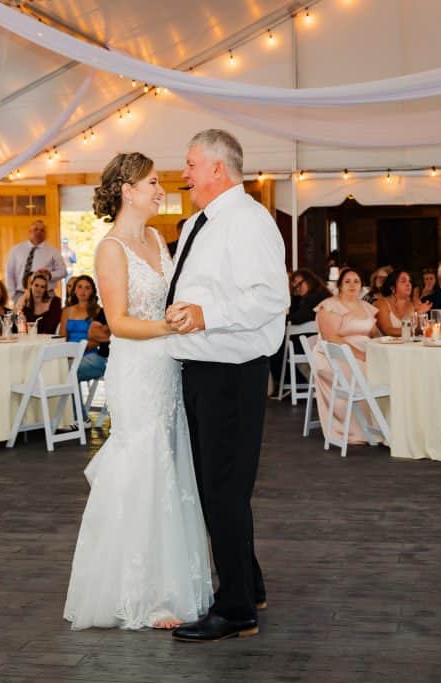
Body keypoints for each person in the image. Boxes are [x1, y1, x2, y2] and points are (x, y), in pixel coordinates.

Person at [64, 152, 212, 632]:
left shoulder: (153, 237)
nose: (160, 188)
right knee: (143, 469)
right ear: (127, 189)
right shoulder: (110, 249)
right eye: (152, 181)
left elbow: (166, 299)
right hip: (137, 370)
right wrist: (170, 329)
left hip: (167, 366)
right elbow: (120, 322)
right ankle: (141, 593)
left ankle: (172, 582)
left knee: (167, 466)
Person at [165, 130, 289, 642]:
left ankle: (237, 608)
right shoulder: (201, 220)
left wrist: (205, 314)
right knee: (220, 489)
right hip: (202, 371)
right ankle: (249, 583)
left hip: (231, 375)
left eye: (192, 164)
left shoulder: (250, 221)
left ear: (219, 168)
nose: (185, 173)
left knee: (224, 490)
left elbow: (270, 298)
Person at [312, 267, 379, 444]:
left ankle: (383, 425)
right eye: (347, 281)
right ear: (340, 285)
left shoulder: (366, 307)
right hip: (335, 354)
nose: (352, 285)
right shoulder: (330, 306)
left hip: (364, 352)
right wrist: (358, 354)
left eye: (356, 281)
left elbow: (373, 334)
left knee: (386, 369)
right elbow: (331, 337)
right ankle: (360, 430)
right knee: (363, 372)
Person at [269, 268, 328, 391]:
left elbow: (298, 317)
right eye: (295, 287)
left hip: (315, 343)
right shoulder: (311, 296)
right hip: (314, 342)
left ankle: (288, 385)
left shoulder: (316, 297)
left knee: (276, 348)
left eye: (299, 284)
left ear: (310, 280)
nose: (297, 288)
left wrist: (278, 320)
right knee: (278, 347)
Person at [61, 275, 108, 382]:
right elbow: (63, 338)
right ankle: (75, 399)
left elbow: (97, 341)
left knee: (66, 373)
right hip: (69, 355)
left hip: (91, 356)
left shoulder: (98, 311)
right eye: (80, 287)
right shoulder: (66, 311)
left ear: (92, 291)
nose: (83, 291)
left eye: (87, 288)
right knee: (58, 370)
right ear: (74, 290)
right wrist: (67, 355)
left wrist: (76, 352)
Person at [6, 219, 67, 301]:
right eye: (35, 229)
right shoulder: (16, 250)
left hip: (46, 295)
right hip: (21, 294)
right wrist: (12, 294)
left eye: (42, 230)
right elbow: (9, 272)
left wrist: (49, 275)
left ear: (45, 234)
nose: (39, 232)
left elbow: (63, 271)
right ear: (29, 231)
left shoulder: (53, 251)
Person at [375, 269, 431, 337]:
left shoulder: (413, 304)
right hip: (386, 346)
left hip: (408, 346)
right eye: (403, 281)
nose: (408, 284)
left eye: (409, 281)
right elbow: (388, 331)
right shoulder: (381, 304)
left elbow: (421, 330)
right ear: (392, 287)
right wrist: (413, 331)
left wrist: (420, 314)